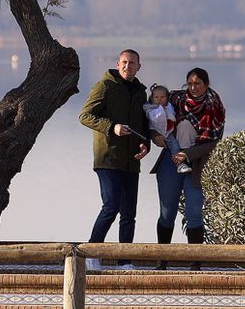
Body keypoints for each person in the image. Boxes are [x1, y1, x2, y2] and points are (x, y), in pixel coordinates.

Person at [79, 48, 151, 252]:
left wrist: (145, 144)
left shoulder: (140, 92)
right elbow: (85, 116)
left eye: (132, 63)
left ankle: (125, 261)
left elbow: (143, 125)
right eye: (124, 62)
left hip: (131, 160)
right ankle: (90, 254)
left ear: (138, 67)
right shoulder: (105, 86)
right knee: (111, 207)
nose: (128, 66)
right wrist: (112, 127)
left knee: (129, 214)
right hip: (108, 158)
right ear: (118, 64)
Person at [149, 66, 225, 250]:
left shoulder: (214, 106)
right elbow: (153, 119)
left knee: (194, 214)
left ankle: (195, 260)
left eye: (197, 83)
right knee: (167, 213)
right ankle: (162, 258)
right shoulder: (175, 99)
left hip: (197, 164)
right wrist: (154, 136)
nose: (193, 87)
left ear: (206, 84)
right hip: (170, 160)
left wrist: (188, 154)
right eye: (190, 83)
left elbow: (214, 143)